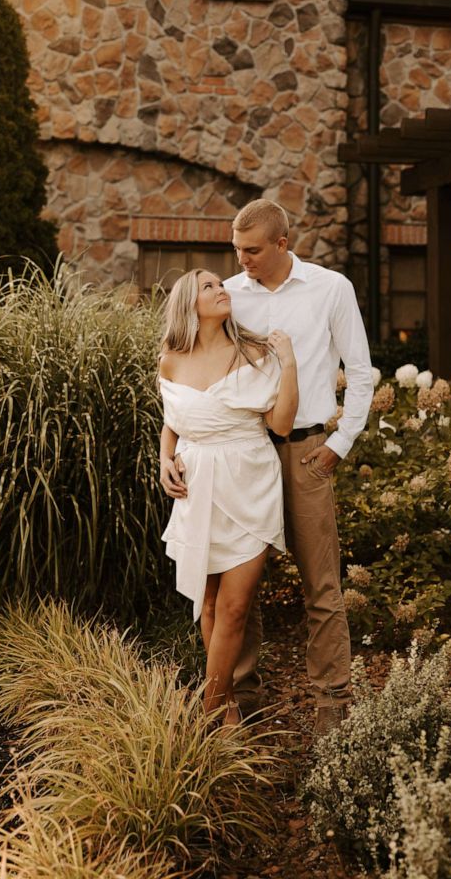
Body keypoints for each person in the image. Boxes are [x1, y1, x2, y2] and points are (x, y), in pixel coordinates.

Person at [226, 199, 373, 736]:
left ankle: (333, 708)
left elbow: (360, 371)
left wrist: (342, 441)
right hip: (244, 451)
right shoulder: (228, 294)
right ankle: (245, 700)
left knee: (322, 588)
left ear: (283, 243)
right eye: (237, 250)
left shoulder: (330, 289)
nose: (242, 260)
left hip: (308, 450)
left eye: (253, 250)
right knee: (239, 582)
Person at [158, 268, 298, 726]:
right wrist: (165, 459)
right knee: (210, 604)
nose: (222, 290)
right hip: (197, 487)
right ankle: (230, 704)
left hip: (249, 482)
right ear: (188, 303)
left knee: (236, 605)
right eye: (209, 286)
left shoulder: (254, 353)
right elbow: (175, 418)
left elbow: (279, 425)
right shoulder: (171, 360)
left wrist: (289, 363)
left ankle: (207, 712)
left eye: (222, 284)